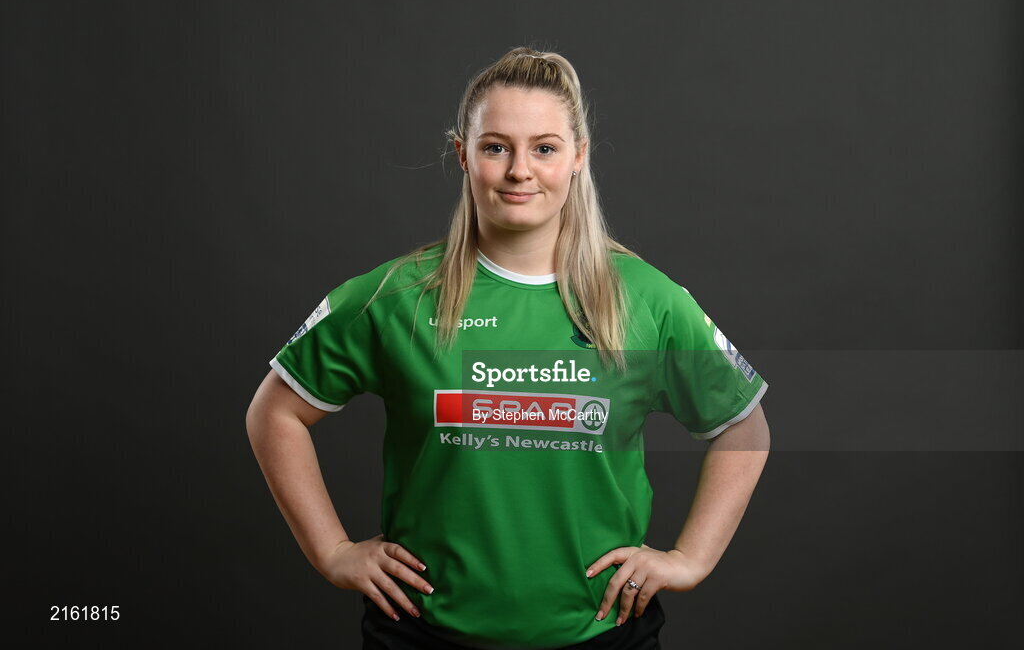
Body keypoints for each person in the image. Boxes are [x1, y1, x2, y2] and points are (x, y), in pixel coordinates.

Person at [245, 46, 770, 650]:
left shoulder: (647, 300)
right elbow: (275, 413)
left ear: (578, 157)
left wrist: (690, 557)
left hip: (600, 635)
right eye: (497, 147)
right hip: (423, 637)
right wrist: (332, 551)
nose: (521, 169)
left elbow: (743, 427)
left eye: (544, 148)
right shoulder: (396, 297)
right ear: (463, 155)